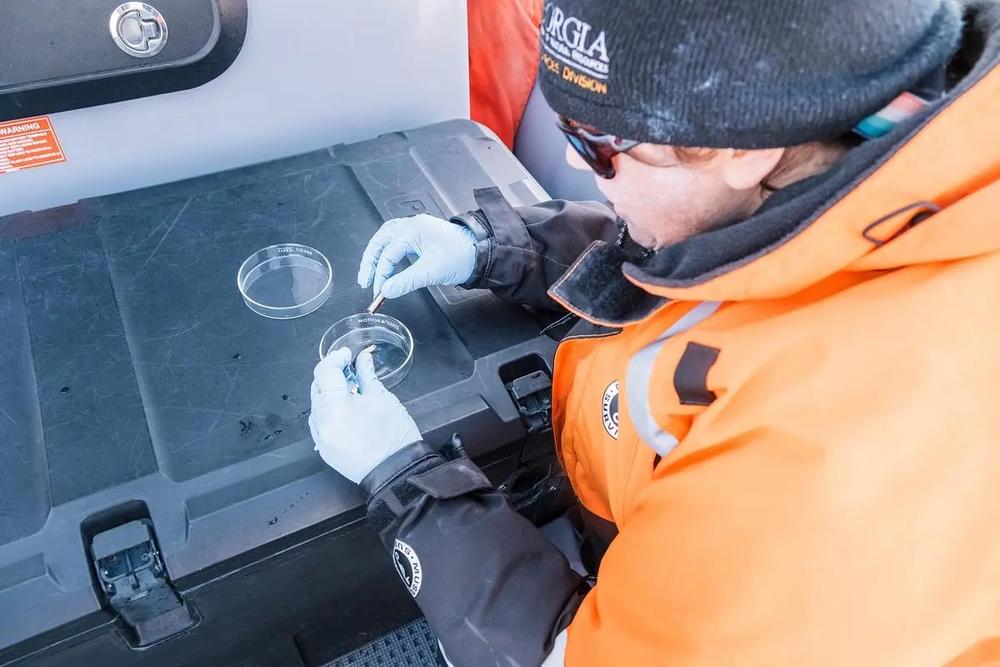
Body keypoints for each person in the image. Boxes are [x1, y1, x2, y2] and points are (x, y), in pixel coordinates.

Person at [309, 1, 1000, 664]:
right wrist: (488, 247)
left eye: (597, 144)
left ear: (742, 149)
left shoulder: (820, 466)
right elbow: (689, 257)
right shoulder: (847, 144)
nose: (577, 162)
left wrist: (404, 478)